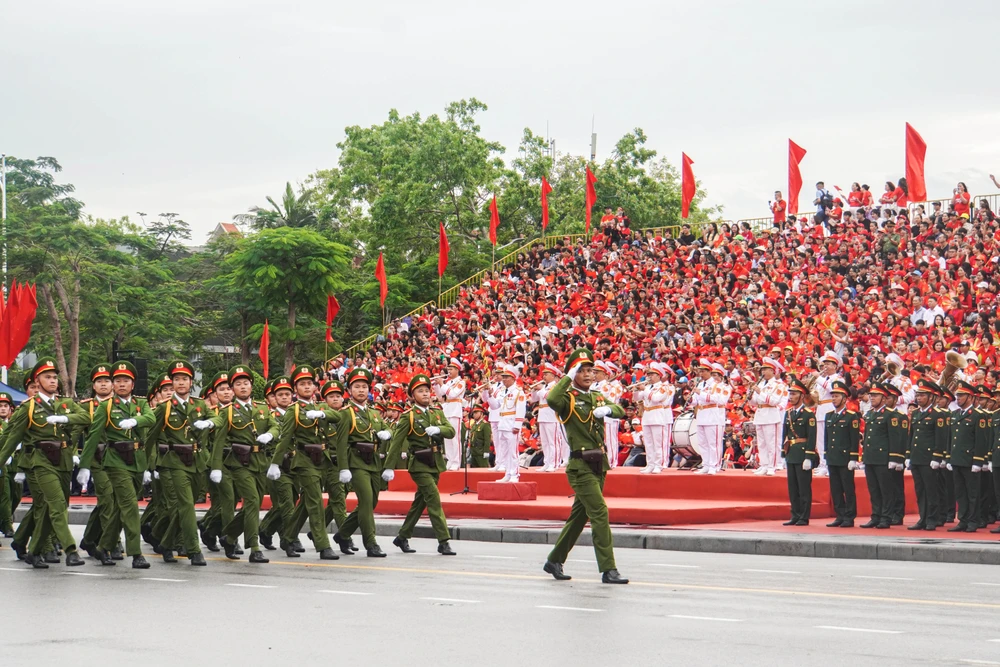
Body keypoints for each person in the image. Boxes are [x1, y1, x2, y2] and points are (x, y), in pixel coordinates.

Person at [543, 348, 628, 584]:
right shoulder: (567, 398)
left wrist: (609, 409)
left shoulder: (597, 397)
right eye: (582, 371)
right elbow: (551, 399)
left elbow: (620, 410)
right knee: (600, 512)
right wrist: (567, 377)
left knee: (579, 517)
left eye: (591, 370)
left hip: (599, 464)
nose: (589, 374)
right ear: (573, 373)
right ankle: (608, 568)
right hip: (580, 466)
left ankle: (554, 559)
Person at [0, 358, 92, 568]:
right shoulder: (28, 408)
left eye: (54, 377)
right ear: (37, 381)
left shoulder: (65, 404)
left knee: (51, 507)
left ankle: (32, 551)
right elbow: (11, 440)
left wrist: (65, 419)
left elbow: (86, 418)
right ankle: (70, 550)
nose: (52, 381)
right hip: (40, 462)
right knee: (56, 505)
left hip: (63, 461)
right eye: (47, 377)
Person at [77, 361, 155, 568]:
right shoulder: (106, 406)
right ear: (113, 384)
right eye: (117, 381)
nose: (121, 384)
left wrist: (135, 421)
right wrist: (85, 465)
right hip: (115, 461)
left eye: (126, 381)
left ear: (133, 383)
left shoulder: (141, 404)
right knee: (129, 506)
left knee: (121, 509)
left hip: (137, 460)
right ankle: (136, 553)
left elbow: (151, 418)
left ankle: (103, 546)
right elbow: (93, 437)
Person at [266, 364, 342, 560]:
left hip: (322, 460)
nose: (307, 387)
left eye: (309, 383)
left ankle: (288, 537)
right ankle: (323, 545)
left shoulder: (320, 407)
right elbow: (284, 439)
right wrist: (274, 463)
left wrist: (322, 414)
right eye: (302, 384)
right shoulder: (293, 411)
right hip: (304, 460)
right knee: (316, 501)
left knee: (304, 505)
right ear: (295, 389)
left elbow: (338, 415)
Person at [208, 365, 279, 563]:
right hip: (239, 463)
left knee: (253, 503)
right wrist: (215, 467)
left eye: (246, 383)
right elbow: (219, 441)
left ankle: (229, 537)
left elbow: (275, 426)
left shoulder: (263, 408)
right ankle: (254, 547)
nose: (243, 387)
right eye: (238, 384)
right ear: (232, 389)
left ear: (251, 386)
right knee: (252, 501)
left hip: (260, 462)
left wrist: (269, 435)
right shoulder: (228, 412)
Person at [143, 360, 211, 565]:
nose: (181, 383)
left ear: (191, 382)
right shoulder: (164, 408)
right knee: (186, 505)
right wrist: (148, 467)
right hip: (172, 462)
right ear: (172, 383)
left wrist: (209, 422)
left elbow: (217, 419)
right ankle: (193, 549)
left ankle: (164, 540)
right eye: (177, 379)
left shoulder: (199, 405)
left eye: (185, 379)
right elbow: (150, 439)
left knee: (182, 507)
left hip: (196, 461)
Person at [386, 373, 457, 556]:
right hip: (419, 463)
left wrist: (438, 429)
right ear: (412, 396)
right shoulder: (408, 416)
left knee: (420, 502)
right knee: (433, 499)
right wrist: (389, 466)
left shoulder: (437, 412)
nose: (425, 394)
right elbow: (396, 442)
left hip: (435, 462)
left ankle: (402, 536)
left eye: (427, 390)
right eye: (420, 391)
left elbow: (450, 431)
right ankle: (443, 541)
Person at [331, 367, 393, 557]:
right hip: (356, 461)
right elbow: (340, 443)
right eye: (357, 387)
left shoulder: (374, 413)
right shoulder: (345, 413)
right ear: (349, 390)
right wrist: (343, 468)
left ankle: (342, 534)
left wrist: (387, 433)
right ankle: (371, 543)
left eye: (364, 387)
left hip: (374, 461)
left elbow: (386, 429)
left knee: (372, 501)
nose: (361, 390)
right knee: (365, 501)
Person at [258, 376, 302, 553]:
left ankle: (266, 528)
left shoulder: (299, 413)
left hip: (294, 463)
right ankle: (290, 538)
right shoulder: (269, 417)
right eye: (280, 395)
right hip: (275, 463)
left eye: (287, 394)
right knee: (286, 503)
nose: (284, 397)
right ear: (273, 398)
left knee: (291, 500)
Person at [77, 364, 117, 560]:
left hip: (120, 460)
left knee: (109, 501)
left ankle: (89, 538)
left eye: (107, 381)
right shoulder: (86, 406)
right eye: (99, 381)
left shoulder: (121, 404)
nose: (103, 384)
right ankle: (111, 543)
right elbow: (76, 432)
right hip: (98, 460)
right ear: (94, 386)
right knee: (108, 499)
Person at [948, 381, 989, 533]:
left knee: (972, 493)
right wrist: (948, 458)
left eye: (962, 395)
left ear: (970, 397)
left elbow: (981, 440)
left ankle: (973, 521)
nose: (958, 398)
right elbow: (951, 438)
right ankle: (963, 520)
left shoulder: (978, 416)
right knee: (960, 493)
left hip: (970, 460)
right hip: (957, 459)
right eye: (957, 395)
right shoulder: (955, 414)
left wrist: (978, 461)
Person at [907, 379, 948, 531]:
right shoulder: (916, 413)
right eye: (918, 395)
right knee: (920, 490)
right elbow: (912, 436)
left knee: (932, 490)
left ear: (931, 397)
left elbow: (940, 437)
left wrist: (937, 457)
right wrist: (908, 455)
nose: (919, 398)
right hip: (917, 457)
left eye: (922, 395)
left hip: (929, 458)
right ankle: (923, 518)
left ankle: (932, 518)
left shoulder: (938, 415)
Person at [781, 378, 818, 526]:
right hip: (792, 453)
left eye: (794, 394)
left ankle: (804, 516)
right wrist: (784, 453)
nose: (791, 396)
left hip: (803, 454)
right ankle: (795, 514)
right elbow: (785, 434)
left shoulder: (808, 414)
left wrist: (809, 456)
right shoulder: (788, 413)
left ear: (802, 396)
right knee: (793, 488)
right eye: (790, 393)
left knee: (804, 488)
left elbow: (811, 436)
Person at [823, 380, 860, 527]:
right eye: (833, 396)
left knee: (848, 488)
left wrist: (853, 458)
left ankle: (849, 516)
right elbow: (827, 437)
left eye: (837, 396)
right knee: (836, 488)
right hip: (833, 457)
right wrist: (826, 454)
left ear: (844, 399)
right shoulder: (829, 416)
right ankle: (840, 514)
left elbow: (854, 439)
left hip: (845, 458)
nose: (834, 399)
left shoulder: (851, 416)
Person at [481, 365, 526, 482]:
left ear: (512, 378)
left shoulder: (518, 392)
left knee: (513, 452)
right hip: (502, 423)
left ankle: (515, 474)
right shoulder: (502, 392)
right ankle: (507, 473)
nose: (504, 379)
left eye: (506, 377)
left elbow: (521, 410)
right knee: (505, 451)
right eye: (504, 377)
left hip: (511, 424)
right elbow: (495, 405)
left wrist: (517, 425)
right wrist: (490, 395)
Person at [861, 384, 895, 530]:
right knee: (873, 489)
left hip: (883, 457)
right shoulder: (869, 414)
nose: (872, 398)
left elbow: (894, 437)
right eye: (871, 395)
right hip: (870, 457)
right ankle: (875, 516)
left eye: (875, 395)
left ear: (883, 398)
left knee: (885, 489)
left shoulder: (889, 414)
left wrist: (894, 458)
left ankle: (886, 517)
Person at [749, 357, 788, 476]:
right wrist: (750, 394)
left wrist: (760, 391)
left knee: (772, 443)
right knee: (762, 443)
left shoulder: (778, 385)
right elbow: (754, 402)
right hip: (760, 414)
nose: (763, 372)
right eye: (763, 369)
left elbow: (774, 401)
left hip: (771, 415)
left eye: (766, 369)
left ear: (773, 371)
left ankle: (772, 465)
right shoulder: (760, 383)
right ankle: (764, 465)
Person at [692, 361, 732, 475]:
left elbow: (718, 399)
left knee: (713, 443)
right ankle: (706, 464)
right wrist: (691, 400)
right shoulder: (700, 384)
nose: (700, 373)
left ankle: (714, 465)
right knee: (702, 442)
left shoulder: (717, 385)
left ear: (709, 371)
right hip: (701, 414)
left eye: (703, 371)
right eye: (700, 371)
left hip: (712, 415)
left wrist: (701, 393)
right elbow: (696, 400)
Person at [812, 352, 843, 476]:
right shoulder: (823, 379)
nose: (825, 367)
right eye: (824, 364)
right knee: (820, 439)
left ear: (835, 366)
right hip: (820, 409)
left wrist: (818, 378)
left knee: (831, 439)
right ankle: (823, 463)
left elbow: (833, 389)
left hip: (831, 408)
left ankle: (831, 464)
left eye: (828, 364)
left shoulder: (838, 378)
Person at [432, 359, 466, 471]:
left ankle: (456, 461)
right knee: (447, 437)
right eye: (448, 369)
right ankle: (450, 460)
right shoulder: (448, 382)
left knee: (455, 438)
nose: (449, 371)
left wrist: (441, 383)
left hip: (455, 411)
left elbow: (452, 394)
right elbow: (440, 395)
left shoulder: (461, 382)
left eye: (451, 369)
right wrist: (436, 385)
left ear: (457, 370)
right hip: (447, 410)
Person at [883, 384, 910, 525]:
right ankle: (886, 512)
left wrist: (899, 458)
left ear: (895, 400)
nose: (886, 400)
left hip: (895, 457)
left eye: (889, 398)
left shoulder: (901, 417)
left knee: (896, 486)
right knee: (885, 487)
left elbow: (902, 438)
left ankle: (898, 514)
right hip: (882, 457)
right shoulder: (880, 414)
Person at [530, 363, 562, 471]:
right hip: (543, 415)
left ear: (553, 376)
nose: (544, 376)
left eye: (546, 374)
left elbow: (548, 396)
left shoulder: (556, 386)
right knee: (545, 442)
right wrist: (534, 390)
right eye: (543, 374)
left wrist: (540, 389)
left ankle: (555, 463)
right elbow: (533, 399)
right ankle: (547, 462)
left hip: (552, 416)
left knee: (553, 441)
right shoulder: (544, 387)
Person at [593, 361, 624, 469]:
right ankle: (600, 461)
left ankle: (611, 461)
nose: (594, 375)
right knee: (599, 440)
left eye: (597, 372)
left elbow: (610, 399)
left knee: (610, 440)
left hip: (610, 415)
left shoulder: (614, 386)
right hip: (597, 415)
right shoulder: (594, 385)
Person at [0, 393, 16, 539]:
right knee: (5, 497)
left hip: (16, 466)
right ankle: (7, 525)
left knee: (15, 495)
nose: (3, 409)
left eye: (5, 406)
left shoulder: (15, 422)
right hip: (3, 464)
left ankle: (7, 519)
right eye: (0, 406)